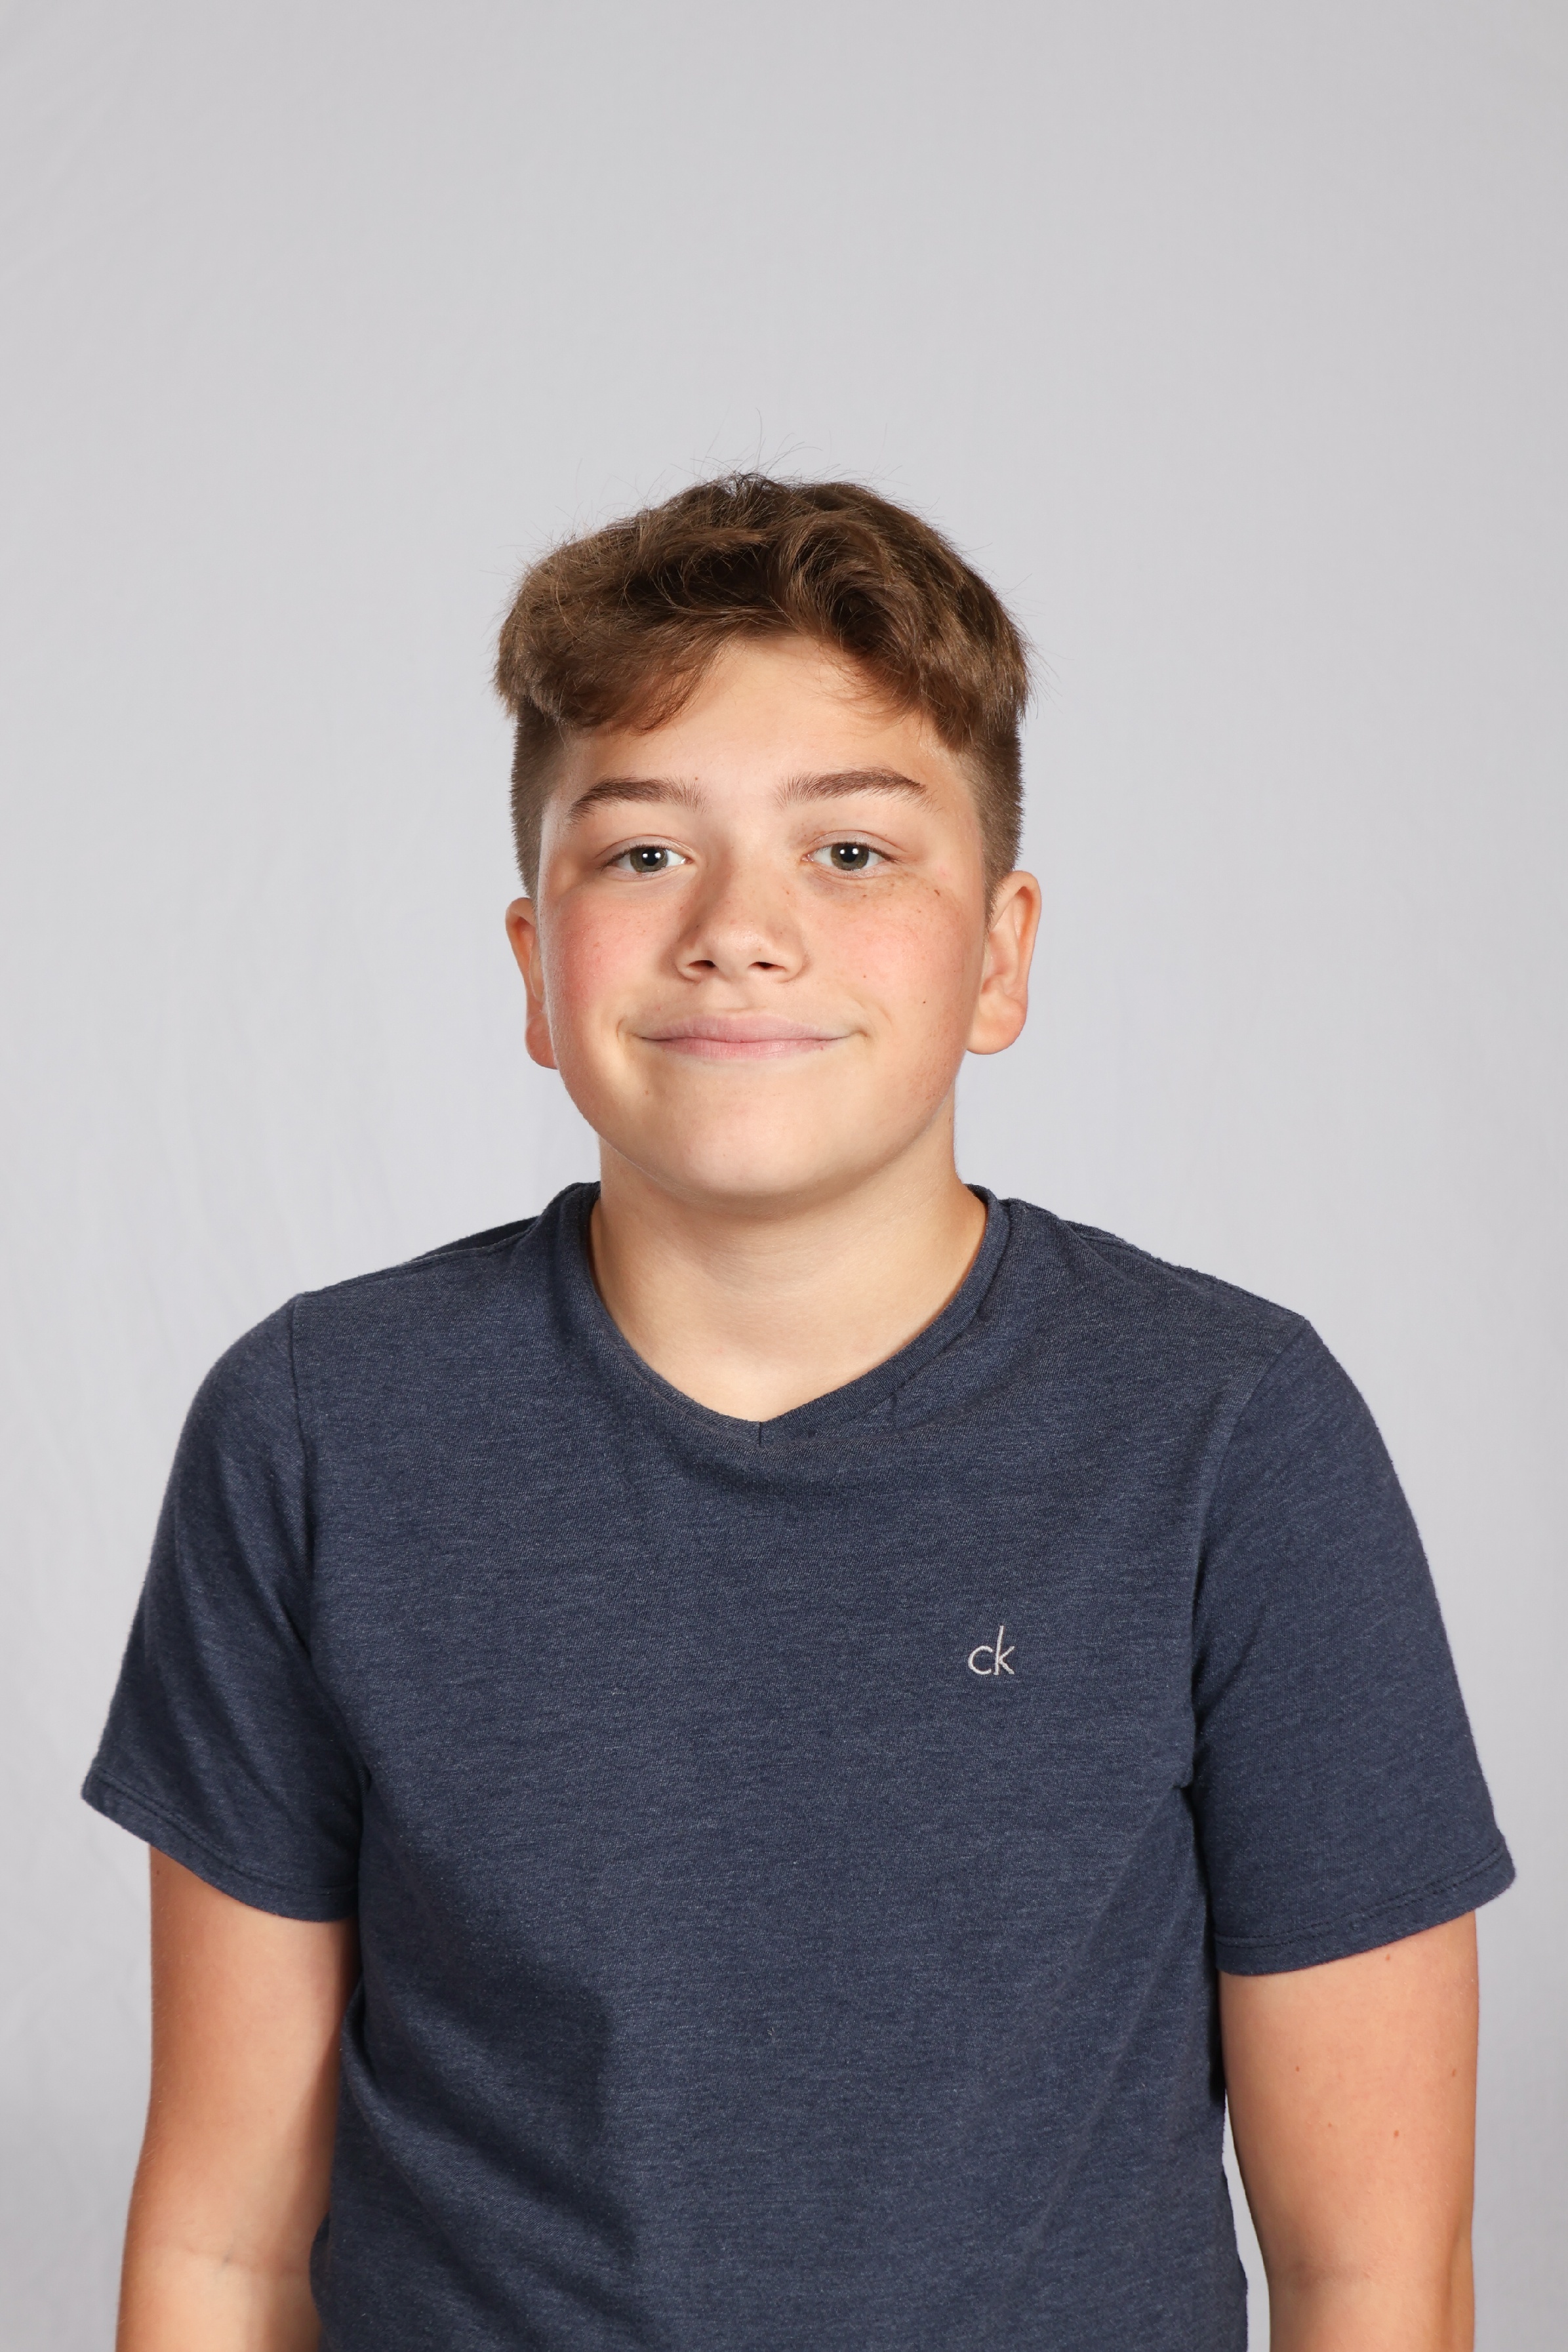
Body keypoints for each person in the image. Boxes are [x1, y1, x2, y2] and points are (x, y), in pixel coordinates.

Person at [85, 474, 1513, 2351]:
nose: (740, 931)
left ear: (999, 954)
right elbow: (220, 2251)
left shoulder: (1233, 1437)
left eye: (851, 850)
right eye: (640, 852)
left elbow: (1375, 2276)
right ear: (534, 968)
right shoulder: (316, 1433)